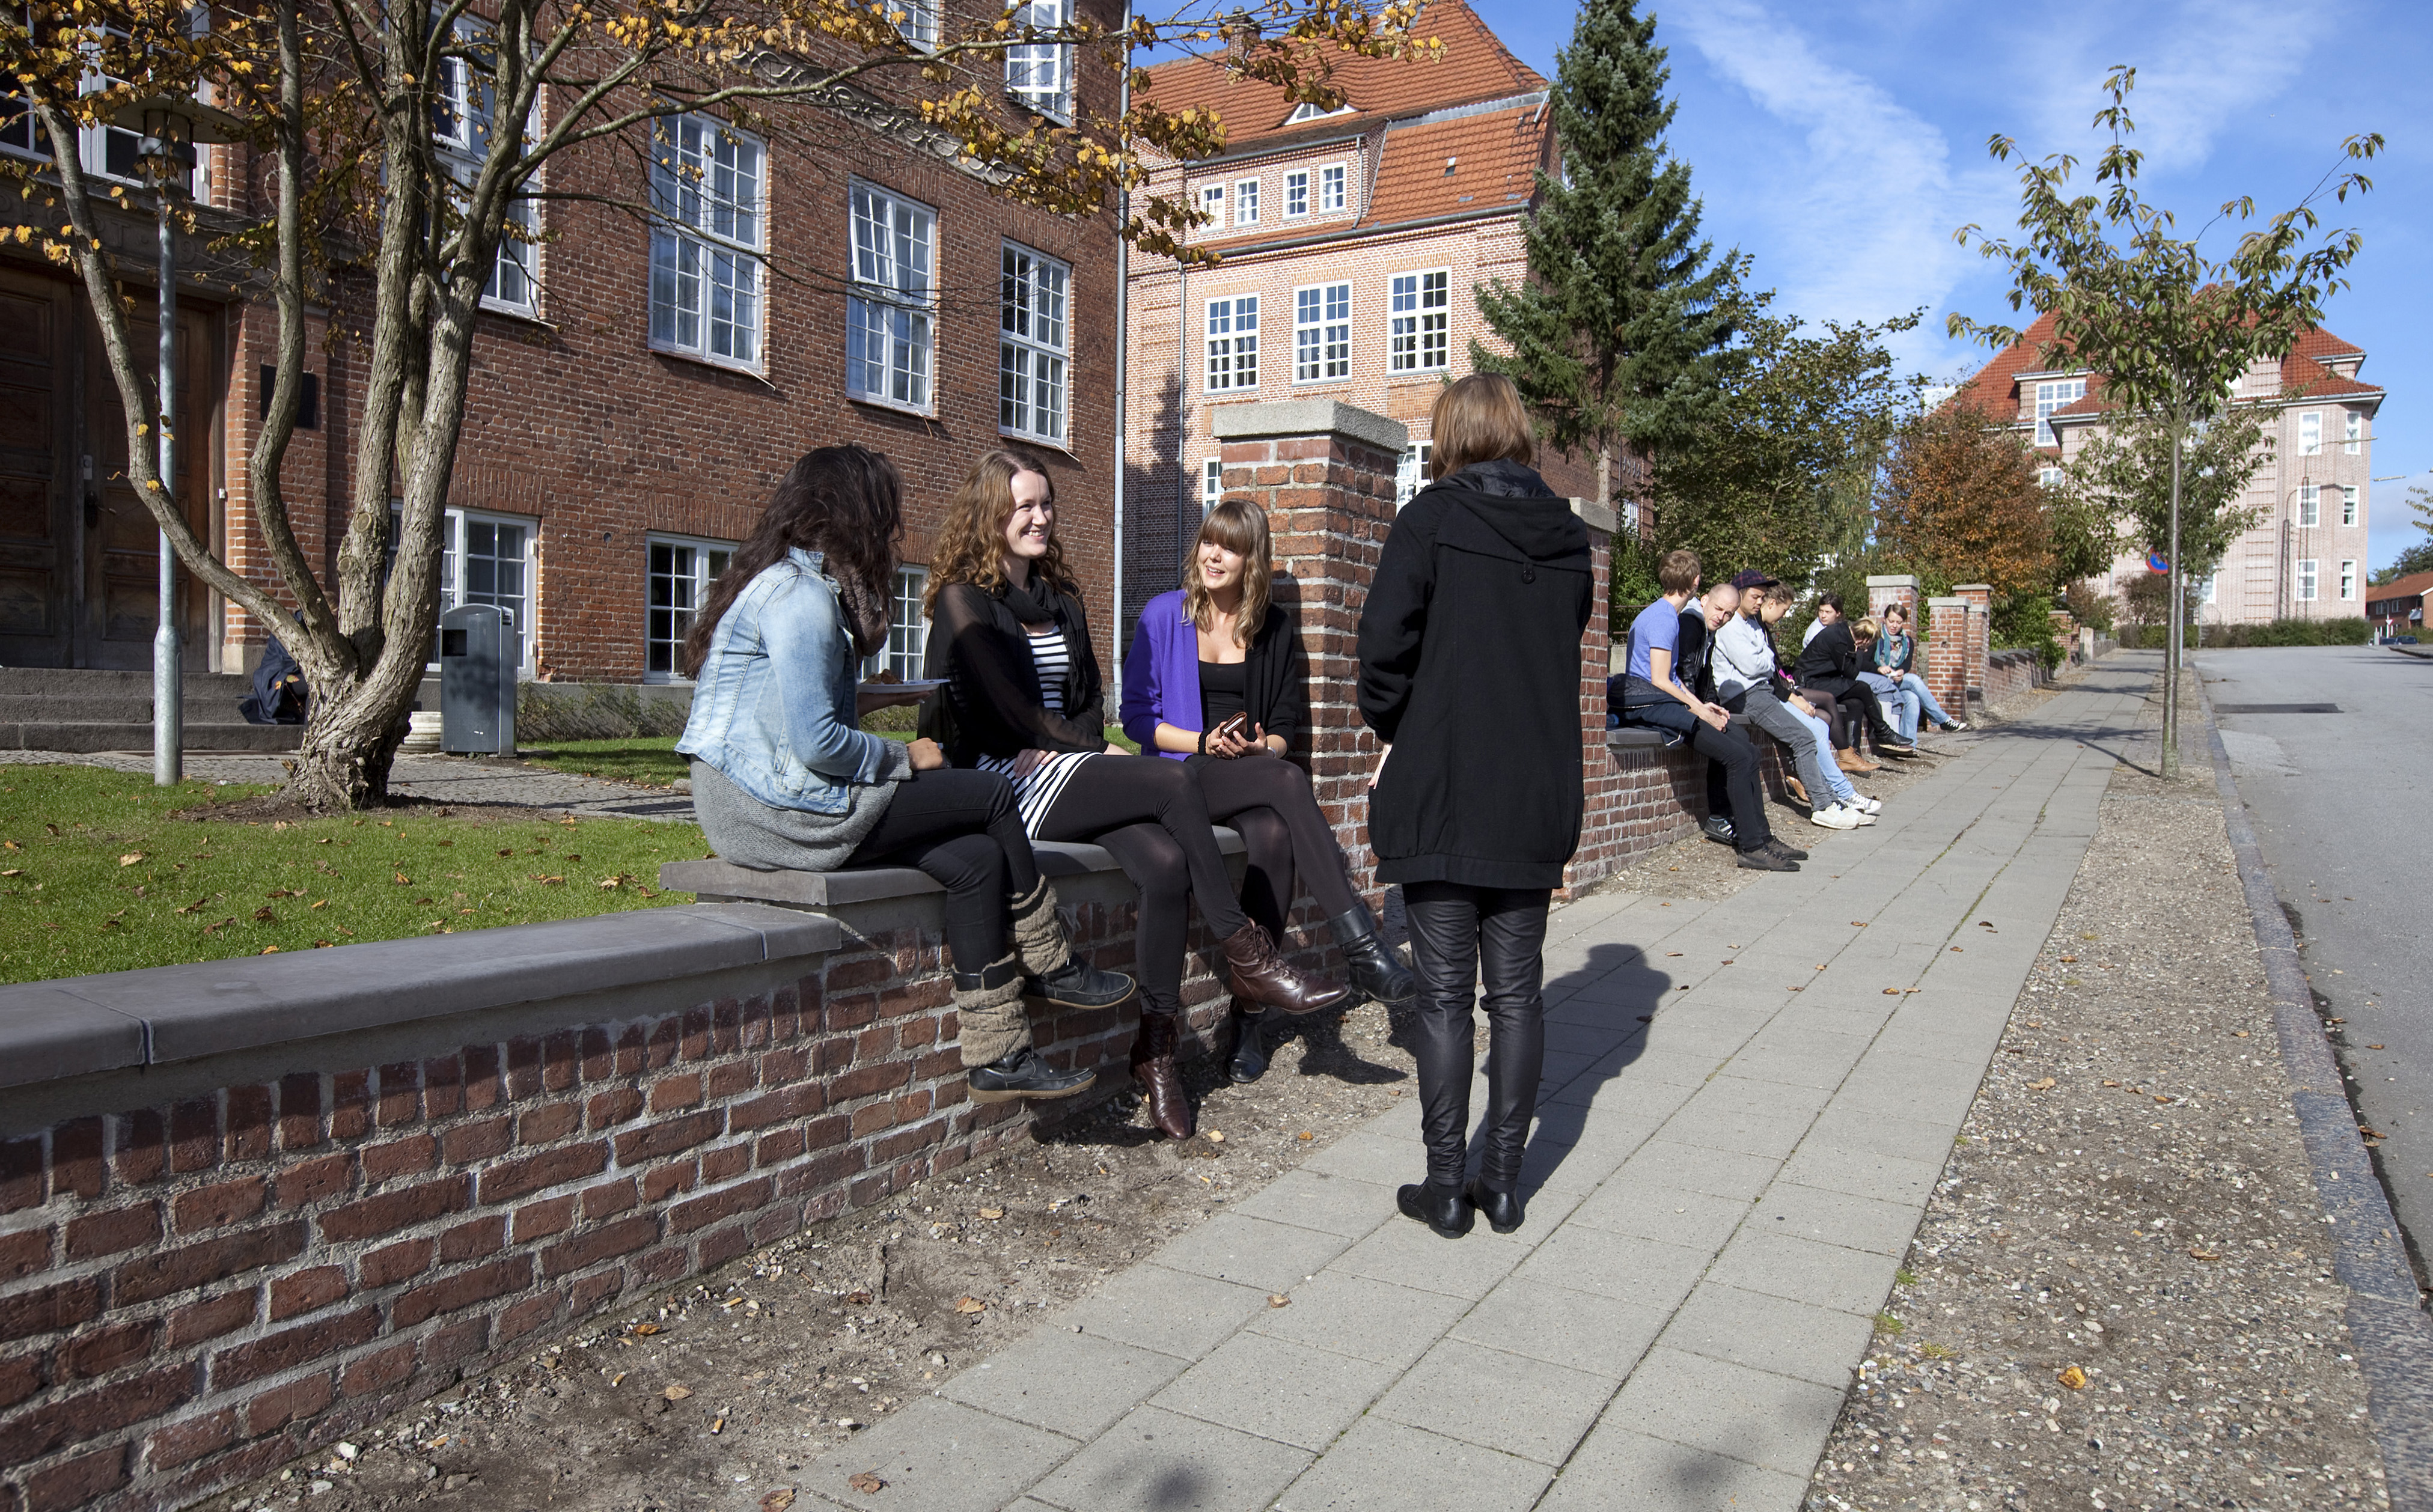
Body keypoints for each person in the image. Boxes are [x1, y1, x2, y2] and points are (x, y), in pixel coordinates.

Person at [676, 447, 1129, 1105]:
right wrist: (902, 756)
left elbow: (784, 714)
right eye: (885, 516)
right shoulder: (799, 599)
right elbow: (818, 743)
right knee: (991, 792)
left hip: (758, 797)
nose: (891, 533)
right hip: (768, 810)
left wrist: (872, 698)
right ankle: (1051, 960)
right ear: (851, 513)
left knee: (975, 858)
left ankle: (998, 1052)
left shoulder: (793, 582)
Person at [921, 448, 1346, 1140]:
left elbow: (1089, 700)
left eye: (1045, 503)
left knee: (1166, 865)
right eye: (1023, 504)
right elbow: (999, 714)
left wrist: (1080, 740)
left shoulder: (1059, 597)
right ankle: (1248, 953)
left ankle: (1155, 1051)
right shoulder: (965, 600)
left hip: (1068, 769)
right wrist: (1079, 744)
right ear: (989, 514)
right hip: (1007, 778)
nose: (1039, 516)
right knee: (1174, 776)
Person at [1358, 373, 1589, 1240]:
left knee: (1448, 997)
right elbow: (1556, 651)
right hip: (1532, 791)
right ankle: (1504, 1183)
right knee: (1520, 996)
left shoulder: (1430, 520)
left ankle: (1446, 1186)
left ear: (1450, 435)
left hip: (1445, 788)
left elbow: (1381, 649)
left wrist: (1399, 724)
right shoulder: (1568, 538)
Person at [1122, 499, 1417, 1085]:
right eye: (1208, 540)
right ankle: (1359, 943)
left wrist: (1262, 749)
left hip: (1246, 772)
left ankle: (1249, 1015)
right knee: (1285, 783)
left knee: (1274, 831)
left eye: (1228, 546)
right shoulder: (1164, 615)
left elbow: (1285, 729)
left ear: (1251, 559)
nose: (1212, 554)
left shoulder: (1273, 629)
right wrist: (1204, 741)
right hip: (1181, 773)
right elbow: (1135, 720)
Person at [1615, 551, 1801, 873]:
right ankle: (1752, 847)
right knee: (1739, 757)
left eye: (1729, 613)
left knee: (1747, 748)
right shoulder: (1664, 618)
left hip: (1664, 702)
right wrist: (1700, 709)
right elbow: (1659, 680)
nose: (1723, 617)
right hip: (1651, 707)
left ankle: (1762, 838)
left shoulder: (1667, 615)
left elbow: (1672, 679)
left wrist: (1705, 705)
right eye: (1721, 610)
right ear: (1697, 585)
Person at [1709, 573, 1871, 830]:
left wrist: (1762, 661)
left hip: (1762, 690)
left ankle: (1833, 802)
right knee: (1804, 737)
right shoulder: (1731, 626)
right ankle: (1823, 806)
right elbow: (1754, 666)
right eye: (1755, 596)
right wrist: (1762, 661)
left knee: (1808, 735)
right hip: (1745, 695)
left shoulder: (1751, 624)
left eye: (1762, 597)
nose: (1759, 602)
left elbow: (1768, 661)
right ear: (1739, 593)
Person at [1794, 596, 1915, 768]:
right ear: (1864, 639)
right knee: (1863, 688)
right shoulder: (1840, 640)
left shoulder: (1843, 632)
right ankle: (1884, 732)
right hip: (1810, 682)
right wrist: (1859, 652)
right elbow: (1851, 674)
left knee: (1856, 703)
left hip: (1824, 679)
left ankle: (1853, 756)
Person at [1872, 603, 1965, 739]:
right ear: (1885, 620)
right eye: (1891, 621)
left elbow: (1907, 663)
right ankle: (1943, 719)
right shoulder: (1876, 637)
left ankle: (1909, 745)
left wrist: (1901, 671)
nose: (1894, 626)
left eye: (1899, 622)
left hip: (1895, 681)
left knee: (1913, 698)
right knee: (1914, 680)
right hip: (1878, 680)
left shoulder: (1907, 641)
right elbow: (1864, 662)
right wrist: (1879, 668)